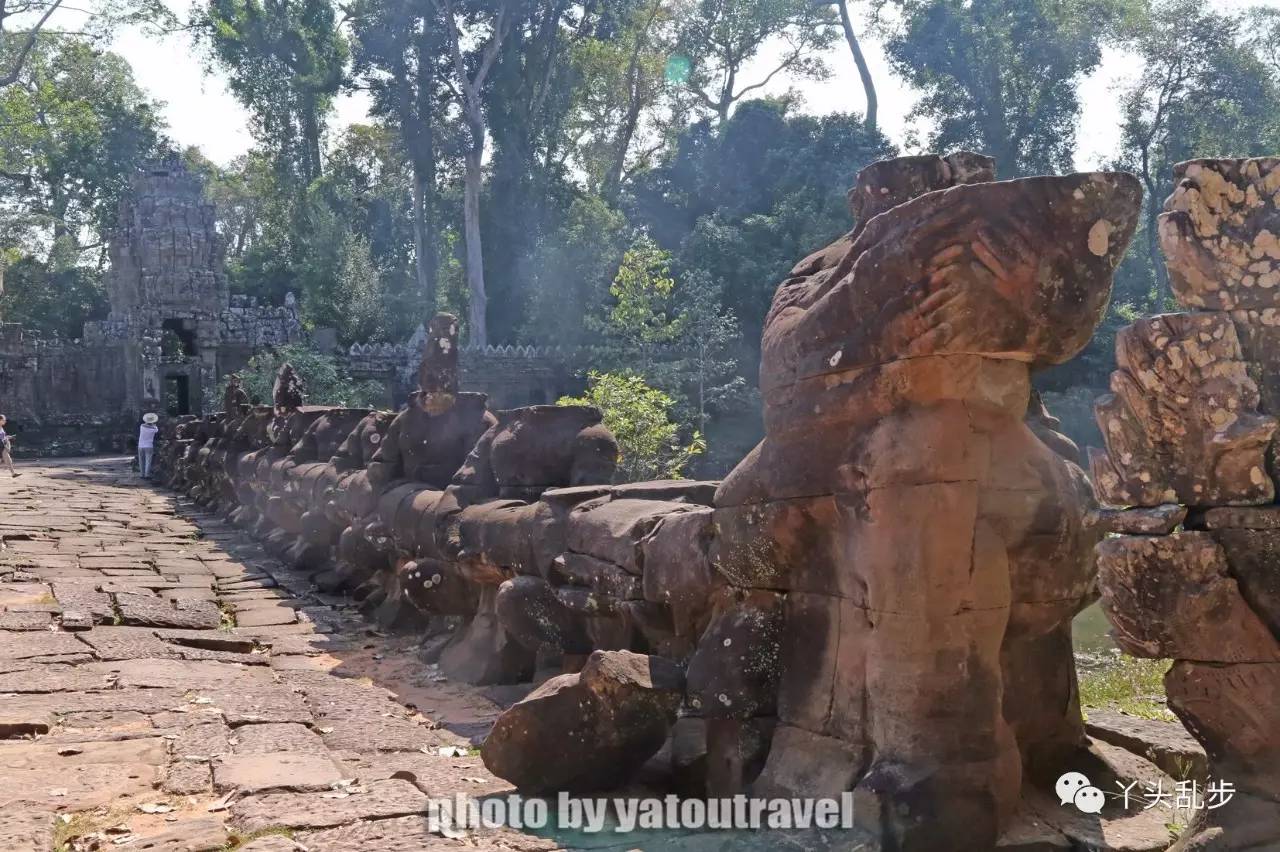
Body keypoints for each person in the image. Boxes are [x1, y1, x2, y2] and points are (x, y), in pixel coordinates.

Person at [138, 413, 159, 479]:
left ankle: (142, 474)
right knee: (148, 461)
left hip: (140, 445)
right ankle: (147, 475)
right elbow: (156, 430)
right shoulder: (154, 428)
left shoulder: (142, 426)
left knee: (141, 460)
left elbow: (145, 425)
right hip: (149, 446)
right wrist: (153, 424)